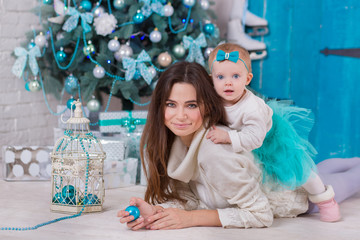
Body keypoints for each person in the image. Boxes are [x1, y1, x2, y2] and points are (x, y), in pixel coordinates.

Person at [117, 61, 360, 230]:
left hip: (291, 193)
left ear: (207, 106)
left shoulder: (214, 152)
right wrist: (154, 211)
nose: (180, 116)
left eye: (191, 105)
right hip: (270, 175)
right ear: (160, 107)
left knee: (344, 181)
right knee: (322, 167)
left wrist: (189, 220)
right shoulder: (176, 141)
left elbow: (260, 215)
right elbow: (192, 197)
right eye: (171, 104)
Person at [206, 43, 340, 222]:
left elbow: (255, 138)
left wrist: (228, 136)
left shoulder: (252, 108)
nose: (228, 82)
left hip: (271, 139)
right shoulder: (215, 99)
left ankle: (325, 199)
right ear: (211, 79)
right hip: (247, 140)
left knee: (299, 170)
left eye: (236, 76)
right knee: (267, 177)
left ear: (247, 79)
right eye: (221, 76)